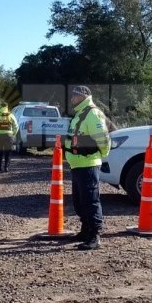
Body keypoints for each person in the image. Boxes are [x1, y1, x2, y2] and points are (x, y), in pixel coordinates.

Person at [63, 86, 111, 250]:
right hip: (77, 164)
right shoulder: (80, 113)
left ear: (83, 96)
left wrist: (103, 153)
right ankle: (85, 231)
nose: (72, 99)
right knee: (79, 201)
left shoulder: (92, 113)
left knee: (90, 201)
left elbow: (102, 138)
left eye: (74, 96)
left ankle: (95, 235)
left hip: (88, 164)